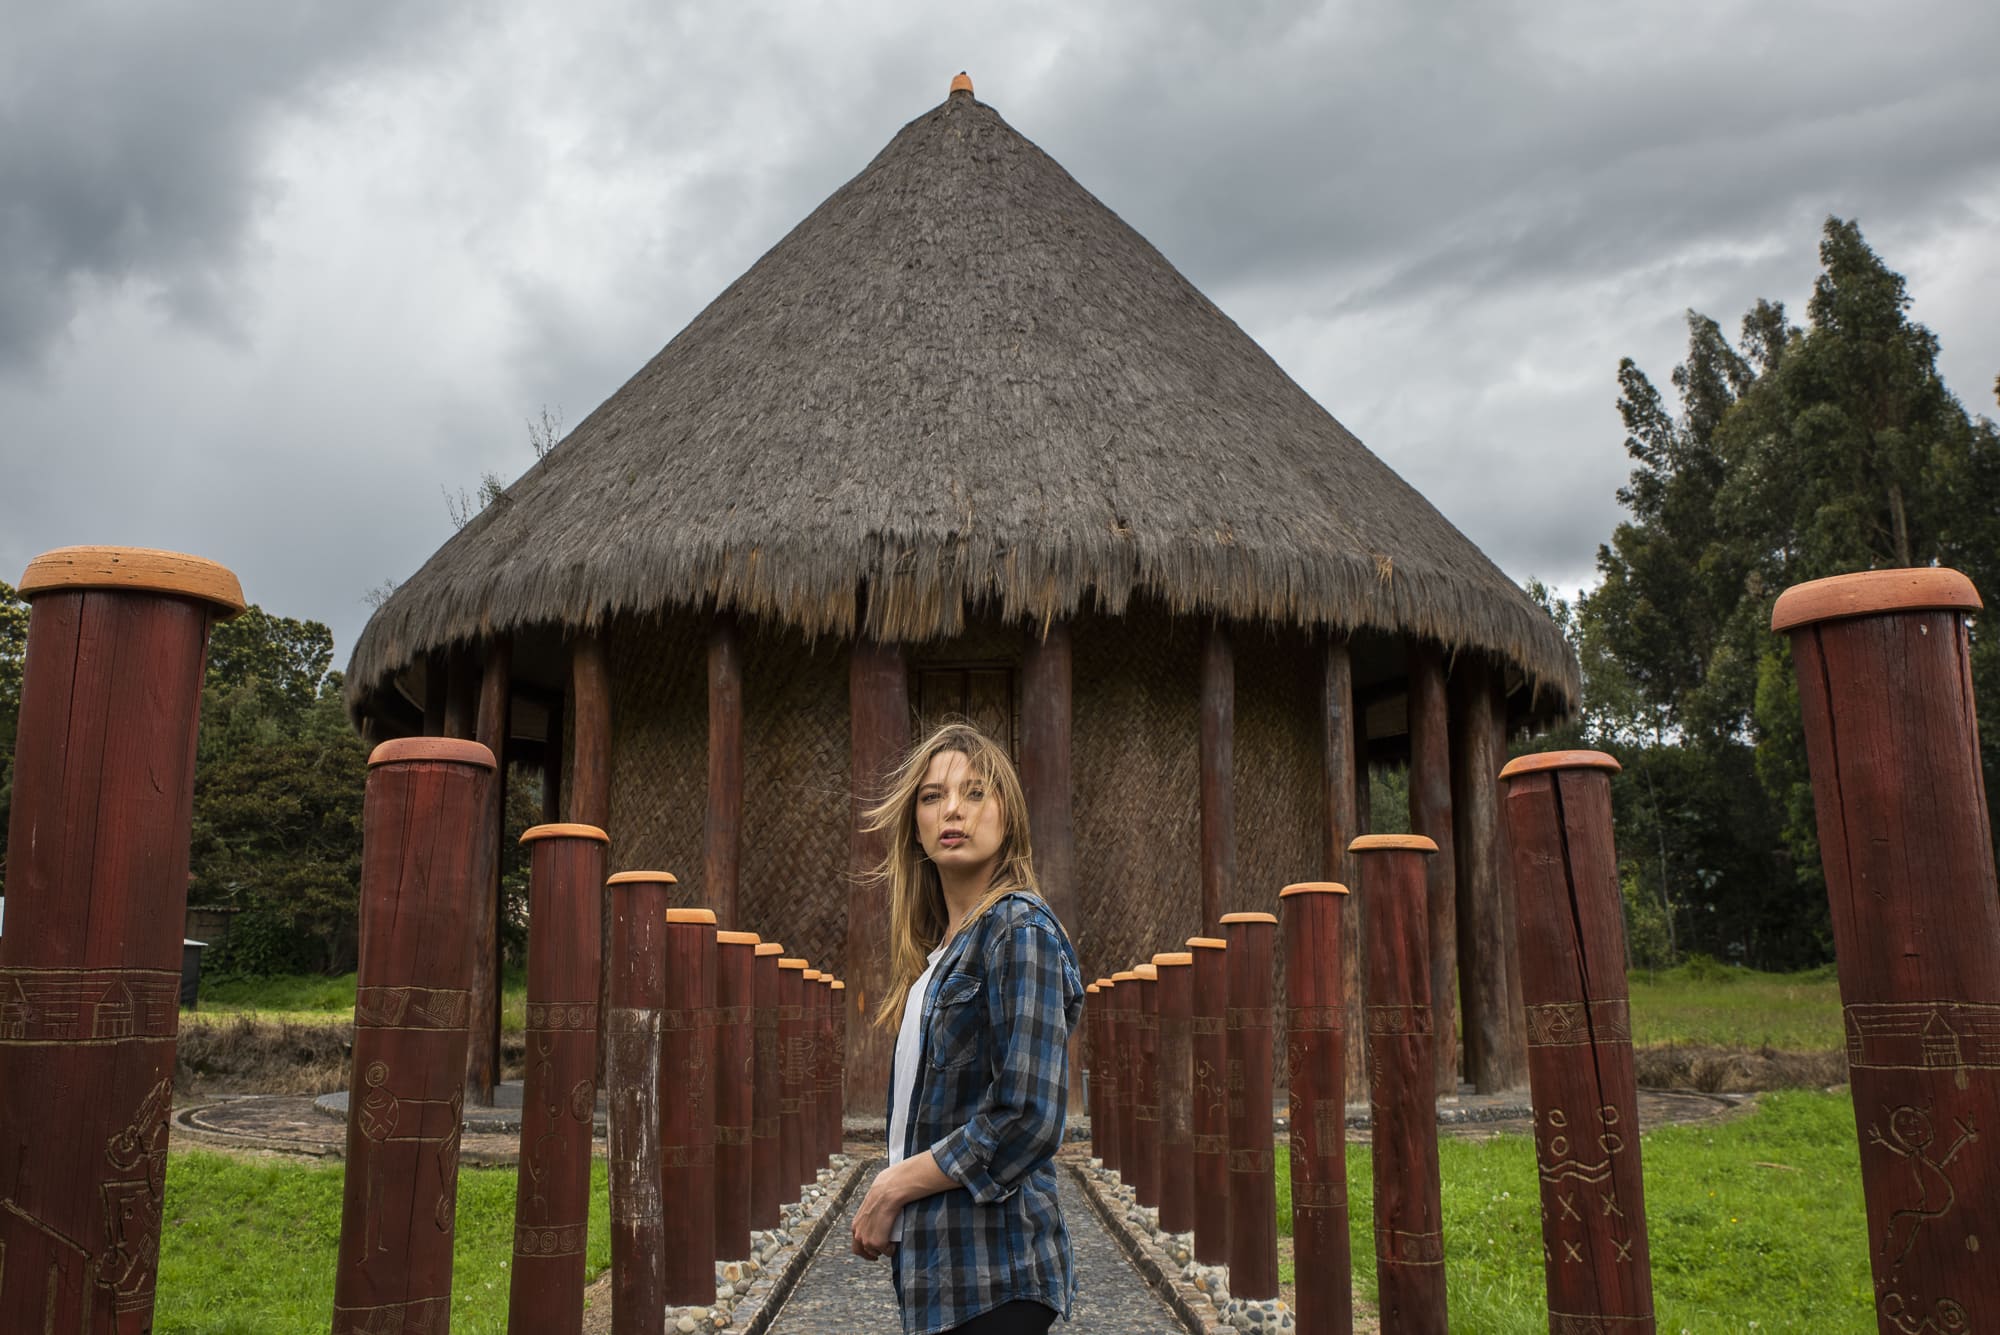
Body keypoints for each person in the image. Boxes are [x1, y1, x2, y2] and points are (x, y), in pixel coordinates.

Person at [849, 721, 1085, 1335]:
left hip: (996, 1274)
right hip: (941, 1274)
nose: (952, 809)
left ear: (1008, 814)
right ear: (916, 825)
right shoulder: (944, 953)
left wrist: (893, 1186)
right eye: (931, 796)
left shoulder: (1018, 930)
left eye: (975, 792)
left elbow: (1028, 1116)